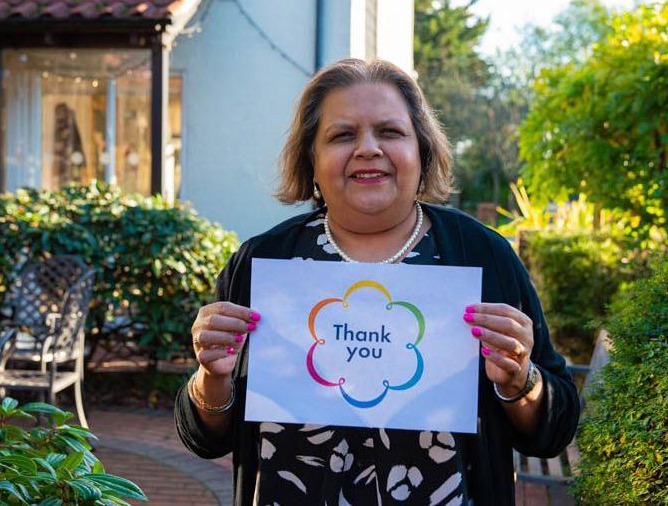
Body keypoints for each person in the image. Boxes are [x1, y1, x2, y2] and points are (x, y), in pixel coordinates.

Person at [176, 58, 580, 505]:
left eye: (389, 132)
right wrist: (211, 378)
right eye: (342, 135)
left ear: (422, 152)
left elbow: (555, 429)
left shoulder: (483, 258)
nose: (368, 148)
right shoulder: (262, 264)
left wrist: (518, 382)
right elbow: (207, 439)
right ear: (311, 159)